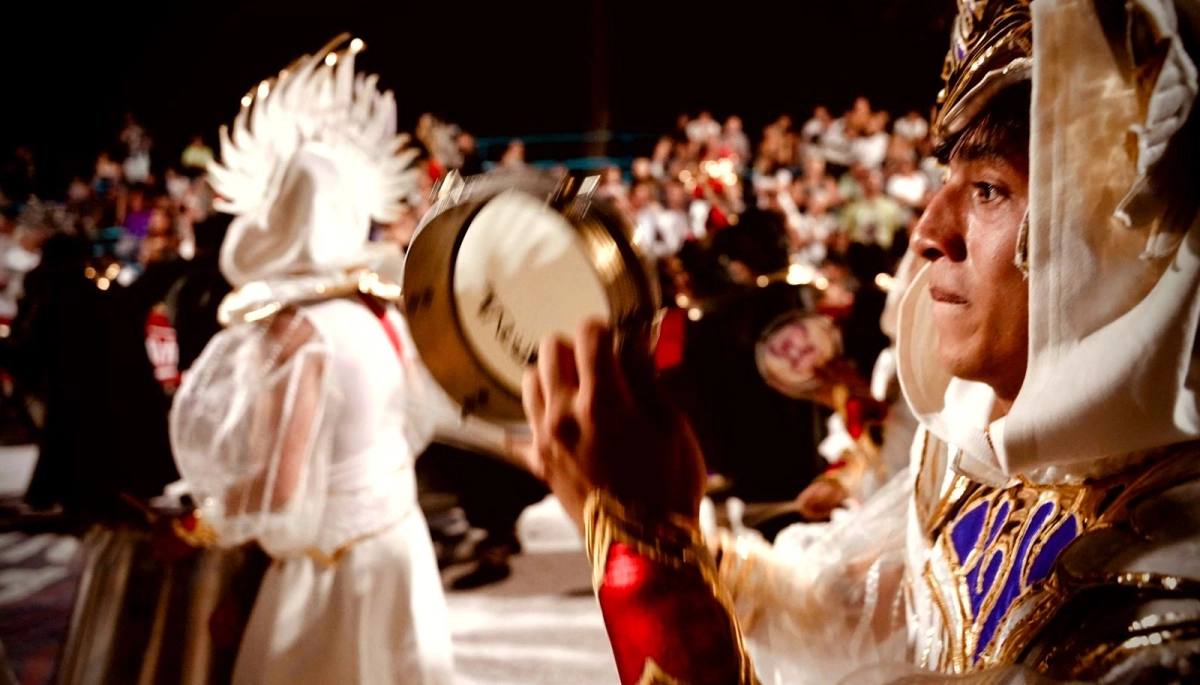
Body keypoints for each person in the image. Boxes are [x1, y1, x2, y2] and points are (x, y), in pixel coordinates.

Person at [521, 0, 1200, 682]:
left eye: (990, 189)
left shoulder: (1169, 614)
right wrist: (668, 529)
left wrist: (644, 564)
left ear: (1126, 239)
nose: (928, 230)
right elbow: (860, 614)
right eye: (945, 182)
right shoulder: (975, 445)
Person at [169, 37, 455, 684]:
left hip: (328, 570)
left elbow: (283, 478)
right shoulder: (380, 312)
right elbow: (412, 424)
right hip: (397, 543)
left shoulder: (295, 331)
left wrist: (201, 524)